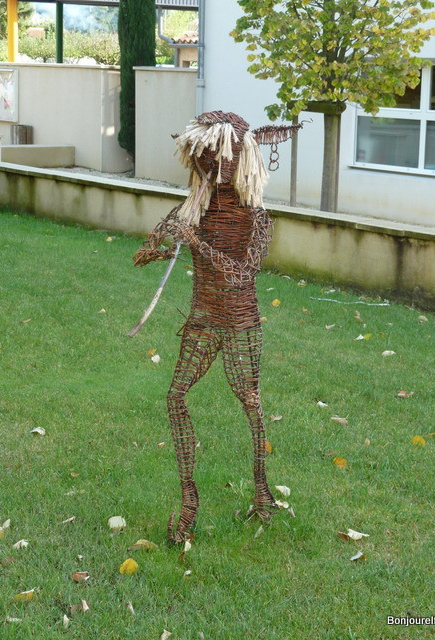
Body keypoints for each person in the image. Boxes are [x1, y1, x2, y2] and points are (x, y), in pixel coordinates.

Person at [134, 111, 300, 543]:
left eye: (221, 154)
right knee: (175, 397)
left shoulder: (257, 219)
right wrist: (158, 247)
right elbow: (151, 247)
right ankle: (189, 500)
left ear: (242, 155)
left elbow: (242, 273)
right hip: (203, 320)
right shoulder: (191, 209)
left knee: (250, 403)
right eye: (205, 155)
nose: (213, 163)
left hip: (241, 324)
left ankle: (261, 489)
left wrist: (198, 244)